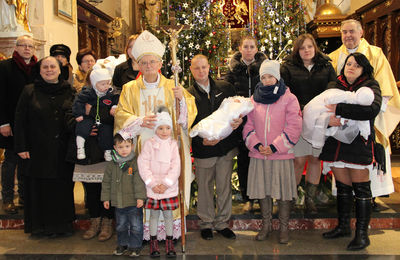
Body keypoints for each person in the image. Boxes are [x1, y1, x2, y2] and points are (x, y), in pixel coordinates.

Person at [115, 30, 197, 241]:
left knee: (168, 182)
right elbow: (121, 116)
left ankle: (171, 231)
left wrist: (182, 101)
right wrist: (139, 121)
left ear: (160, 63)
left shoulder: (173, 86)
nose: (149, 66)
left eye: (153, 62)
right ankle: (147, 233)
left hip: (168, 149)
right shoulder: (129, 88)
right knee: (146, 185)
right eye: (144, 62)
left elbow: (185, 118)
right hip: (141, 147)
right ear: (137, 65)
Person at [329, 19, 400, 206]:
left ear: (361, 33)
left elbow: (385, 88)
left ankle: (370, 197)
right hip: (342, 118)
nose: (348, 35)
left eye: (352, 31)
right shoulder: (334, 57)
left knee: (367, 157)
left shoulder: (375, 54)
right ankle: (346, 199)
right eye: (344, 32)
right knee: (343, 159)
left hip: (369, 118)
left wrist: (370, 113)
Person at [320, 53, 381, 250]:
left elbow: (371, 110)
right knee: (344, 188)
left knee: (361, 189)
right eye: (348, 64)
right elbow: (323, 108)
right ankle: (344, 226)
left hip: (358, 144)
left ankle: (363, 234)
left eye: (356, 65)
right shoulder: (334, 85)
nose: (351, 67)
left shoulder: (371, 86)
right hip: (336, 143)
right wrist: (330, 115)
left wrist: (339, 109)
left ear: (364, 68)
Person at [14, 56, 76, 237]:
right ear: (39, 71)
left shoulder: (69, 90)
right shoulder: (29, 91)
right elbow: (20, 120)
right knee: (38, 188)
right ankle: (39, 227)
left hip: (61, 151)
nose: (49, 70)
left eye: (52, 67)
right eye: (45, 67)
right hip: (36, 149)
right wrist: (21, 146)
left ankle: (62, 226)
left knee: (61, 189)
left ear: (59, 70)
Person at [243, 60, 302, 244]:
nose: (267, 80)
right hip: (260, 154)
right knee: (263, 191)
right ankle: (266, 226)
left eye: (271, 76)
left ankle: (284, 228)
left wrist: (276, 146)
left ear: (277, 77)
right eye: (264, 77)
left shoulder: (289, 98)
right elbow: (248, 125)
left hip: (280, 154)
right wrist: (257, 144)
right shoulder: (254, 99)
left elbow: (294, 126)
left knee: (283, 192)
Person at [280, 33, 337, 214]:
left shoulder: (326, 66)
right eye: (302, 47)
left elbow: (333, 88)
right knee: (298, 160)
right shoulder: (288, 67)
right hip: (299, 117)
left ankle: (310, 199)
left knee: (315, 159)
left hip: (320, 119)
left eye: (309, 47)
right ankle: (293, 198)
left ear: (315, 48)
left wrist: (319, 109)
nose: (306, 50)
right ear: (298, 50)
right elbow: (285, 91)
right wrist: (302, 108)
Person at [188, 55, 242, 240]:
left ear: (209, 67)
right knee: (204, 187)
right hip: (203, 149)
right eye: (197, 68)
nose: (201, 71)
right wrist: (200, 142)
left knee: (224, 187)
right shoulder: (188, 95)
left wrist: (238, 121)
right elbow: (186, 125)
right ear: (191, 70)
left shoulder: (225, 88)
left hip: (225, 148)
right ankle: (206, 223)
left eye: (204, 67)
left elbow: (237, 110)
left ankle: (222, 223)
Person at [225, 35, 267, 213]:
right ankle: (247, 197)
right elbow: (228, 92)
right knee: (244, 159)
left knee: (261, 158)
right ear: (240, 49)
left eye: (252, 47)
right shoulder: (233, 70)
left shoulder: (264, 69)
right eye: (246, 47)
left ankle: (262, 197)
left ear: (257, 49)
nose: (249, 50)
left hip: (261, 119)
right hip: (241, 120)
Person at [0, 35, 37, 214]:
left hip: (31, 124)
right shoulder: (6, 67)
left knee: (27, 161)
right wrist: (3, 123)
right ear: (17, 48)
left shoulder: (38, 68)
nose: (27, 49)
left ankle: (24, 197)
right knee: (11, 161)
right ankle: (7, 199)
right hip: (11, 123)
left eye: (31, 46)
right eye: (23, 45)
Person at [138, 109, 180, 257]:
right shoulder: (149, 144)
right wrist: (152, 183)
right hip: (153, 188)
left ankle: (169, 243)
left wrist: (166, 183)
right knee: (153, 216)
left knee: (168, 215)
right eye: (161, 128)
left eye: (167, 128)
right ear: (156, 129)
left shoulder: (173, 145)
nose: (164, 131)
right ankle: (153, 243)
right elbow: (143, 164)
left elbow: (176, 166)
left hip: (168, 188)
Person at [101, 134, 146, 257]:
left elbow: (139, 181)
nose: (124, 149)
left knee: (136, 225)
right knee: (121, 226)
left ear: (132, 146)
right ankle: (123, 243)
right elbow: (106, 182)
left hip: (133, 202)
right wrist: (106, 198)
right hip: (118, 202)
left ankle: (135, 246)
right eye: (120, 147)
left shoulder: (135, 162)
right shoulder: (112, 164)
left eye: (127, 146)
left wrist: (140, 197)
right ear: (115, 148)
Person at [73, 64, 119, 162]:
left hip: (103, 123)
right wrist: (79, 114)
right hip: (88, 122)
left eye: (108, 83)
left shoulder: (111, 93)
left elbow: (115, 103)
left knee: (107, 131)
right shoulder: (86, 92)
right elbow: (78, 103)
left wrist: (114, 107)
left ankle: (108, 151)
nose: (106, 86)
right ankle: (80, 148)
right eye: (103, 84)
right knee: (82, 127)